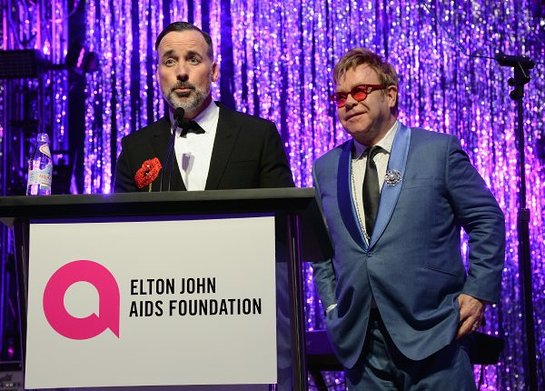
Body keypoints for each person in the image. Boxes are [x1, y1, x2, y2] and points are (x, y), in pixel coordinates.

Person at [311, 48, 505, 390]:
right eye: (340, 96)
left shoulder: (437, 151)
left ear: (390, 94)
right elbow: (322, 249)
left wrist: (478, 292)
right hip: (362, 346)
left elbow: (487, 218)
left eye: (359, 92)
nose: (349, 103)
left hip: (434, 335)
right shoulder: (325, 168)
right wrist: (331, 306)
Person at [114, 21, 294, 192]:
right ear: (158, 75)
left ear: (214, 71)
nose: (182, 73)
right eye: (170, 61)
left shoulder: (259, 136)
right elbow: (122, 222)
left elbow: (284, 215)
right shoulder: (134, 149)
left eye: (193, 60)